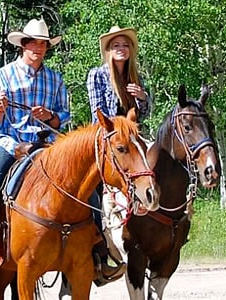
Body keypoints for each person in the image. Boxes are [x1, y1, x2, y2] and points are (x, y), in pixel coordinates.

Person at [0, 19, 74, 281]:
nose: (38, 48)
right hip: (10, 143)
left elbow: (62, 118)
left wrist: (49, 116)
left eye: (42, 44)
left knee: (80, 182)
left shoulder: (54, 79)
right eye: (33, 43)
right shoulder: (1, 76)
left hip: (46, 145)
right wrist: (0, 109)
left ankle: (97, 245)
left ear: (47, 48)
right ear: (23, 45)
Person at [85, 25, 153, 284]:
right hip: (108, 137)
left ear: (130, 50)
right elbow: (98, 115)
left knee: (158, 161)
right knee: (90, 185)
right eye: (116, 46)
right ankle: (99, 243)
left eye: (124, 45)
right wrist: (123, 125)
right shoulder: (98, 75)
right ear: (108, 51)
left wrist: (142, 98)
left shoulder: (136, 76)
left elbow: (144, 114)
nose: (121, 49)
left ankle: (168, 220)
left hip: (133, 135)